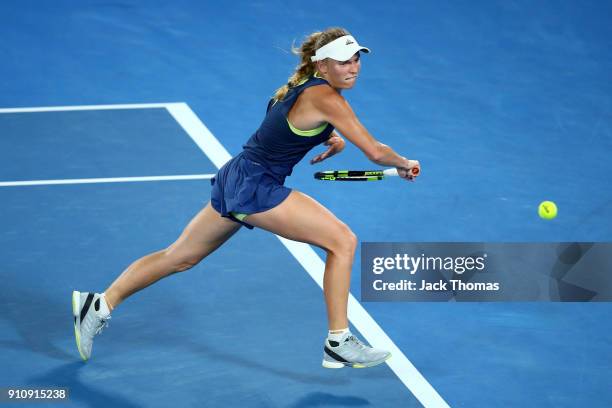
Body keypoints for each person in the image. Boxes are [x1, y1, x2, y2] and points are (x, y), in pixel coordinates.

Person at [73, 27, 420, 369]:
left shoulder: (302, 89)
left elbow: (283, 122)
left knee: (179, 257)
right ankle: (338, 341)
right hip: (258, 187)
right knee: (342, 240)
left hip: (236, 176)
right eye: (343, 61)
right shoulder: (328, 99)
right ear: (323, 66)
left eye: (357, 59)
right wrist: (404, 164)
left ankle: (100, 305)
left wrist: (326, 135)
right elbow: (375, 152)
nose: (354, 66)